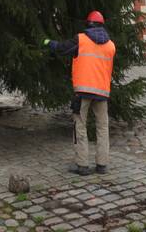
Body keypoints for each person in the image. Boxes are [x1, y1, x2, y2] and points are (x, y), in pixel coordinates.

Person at [46, 10, 116, 175]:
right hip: (102, 92)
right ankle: (102, 165)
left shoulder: (81, 39)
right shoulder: (111, 45)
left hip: (83, 92)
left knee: (80, 125)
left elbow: (62, 48)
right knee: (102, 127)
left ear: (89, 24)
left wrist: (49, 42)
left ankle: (82, 165)